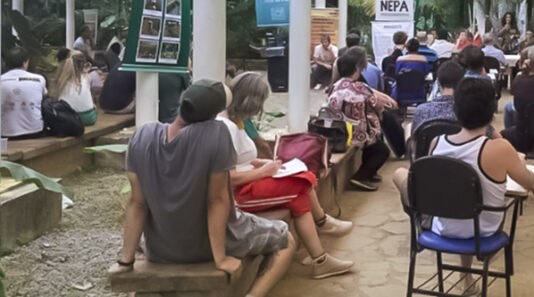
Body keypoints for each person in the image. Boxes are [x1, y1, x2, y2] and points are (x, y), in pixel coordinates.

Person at [111, 79, 296, 297]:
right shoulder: (215, 134)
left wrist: (125, 261)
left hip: (160, 247)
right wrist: (220, 258)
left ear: (183, 101)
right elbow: (217, 200)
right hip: (207, 246)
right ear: (215, 113)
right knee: (287, 240)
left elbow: (137, 203)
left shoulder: (142, 136)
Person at [393, 78, 534, 293]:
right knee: (471, 203)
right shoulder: (500, 149)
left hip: (444, 227)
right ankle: (465, 275)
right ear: (490, 111)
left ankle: (420, 220)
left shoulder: (437, 143)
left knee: (401, 175)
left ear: (457, 110)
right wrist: (520, 161)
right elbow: (529, 183)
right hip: (484, 231)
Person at [219, 72, 354, 278]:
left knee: (302, 182)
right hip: (237, 194)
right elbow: (224, 177)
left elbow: (238, 160)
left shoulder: (237, 122)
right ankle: (322, 231)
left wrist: (260, 164)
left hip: (248, 182)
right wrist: (262, 172)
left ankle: (320, 257)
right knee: (301, 185)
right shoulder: (226, 127)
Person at [328, 53, 398, 191]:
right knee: (382, 150)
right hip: (358, 132)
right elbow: (378, 105)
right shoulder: (360, 88)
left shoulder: (336, 86)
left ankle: (369, 173)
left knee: (373, 144)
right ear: (357, 68)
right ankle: (361, 176)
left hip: (340, 131)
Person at [1, 47, 46, 139]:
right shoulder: (39, 79)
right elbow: (43, 95)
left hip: (6, 133)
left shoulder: (1, 80)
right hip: (35, 131)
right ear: (25, 63)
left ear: (5, 63)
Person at [411, 61, 464, 132]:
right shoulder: (466, 113)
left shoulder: (421, 110)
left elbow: (415, 140)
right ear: (461, 83)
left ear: (438, 83)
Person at [55, 51, 97, 126]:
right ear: (84, 65)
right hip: (90, 117)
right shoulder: (88, 78)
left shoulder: (63, 80)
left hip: (70, 118)